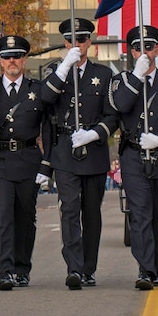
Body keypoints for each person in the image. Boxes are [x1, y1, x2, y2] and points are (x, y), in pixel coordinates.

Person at [108, 25, 158, 291]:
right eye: (137, 47)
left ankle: (155, 266)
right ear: (130, 51)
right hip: (133, 156)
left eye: (149, 46)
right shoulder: (121, 81)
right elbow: (120, 106)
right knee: (140, 212)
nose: (143, 51)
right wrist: (136, 75)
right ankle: (145, 269)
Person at [38, 17, 117, 289]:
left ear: (90, 43)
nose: (77, 44)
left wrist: (95, 133)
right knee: (69, 209)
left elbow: (112, 115)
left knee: (91, 213)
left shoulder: (104, 74)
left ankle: (88, 268)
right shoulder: (55, 73)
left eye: (82, 40)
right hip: (64, 151)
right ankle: (74, 267)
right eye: (72, 40)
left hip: (93, 150)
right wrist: (64, 68)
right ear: (65, 43)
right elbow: (44, 101)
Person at [0, 34, 51, 291]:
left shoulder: (37, 90)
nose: (12, 60)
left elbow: (48, 129)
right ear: (0, 61)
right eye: (6, 57)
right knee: (3, 216)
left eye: (17, 56)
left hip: (28, 160)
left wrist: (46, 164)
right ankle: (5, 271)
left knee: (25, 218)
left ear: (25, 59)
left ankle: (21, 268)